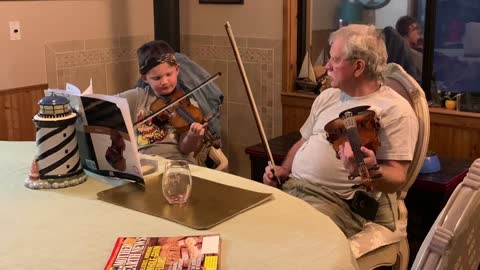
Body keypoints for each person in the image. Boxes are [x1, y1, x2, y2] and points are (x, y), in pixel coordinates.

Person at [263, 24, 419, 238]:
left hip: (337, 203)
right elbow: (304, 141)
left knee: (288, 239)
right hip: (292, 188)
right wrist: (283, 170)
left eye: (335, 59)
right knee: (249, 226)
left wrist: (369, 169)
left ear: (358, 67)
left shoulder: (395, 110)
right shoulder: (328, 96)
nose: (327, 65)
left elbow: (398, 176)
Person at [119, 40, 221, 164]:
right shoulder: (137, 97)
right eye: (157, 78)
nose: (165, 81)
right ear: (145, 78)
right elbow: (107, 105)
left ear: (177, 70)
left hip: (178, 163)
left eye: (169, 74)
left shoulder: (189, 105)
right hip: (146, 165)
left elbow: (185, 149)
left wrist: (192, 137)